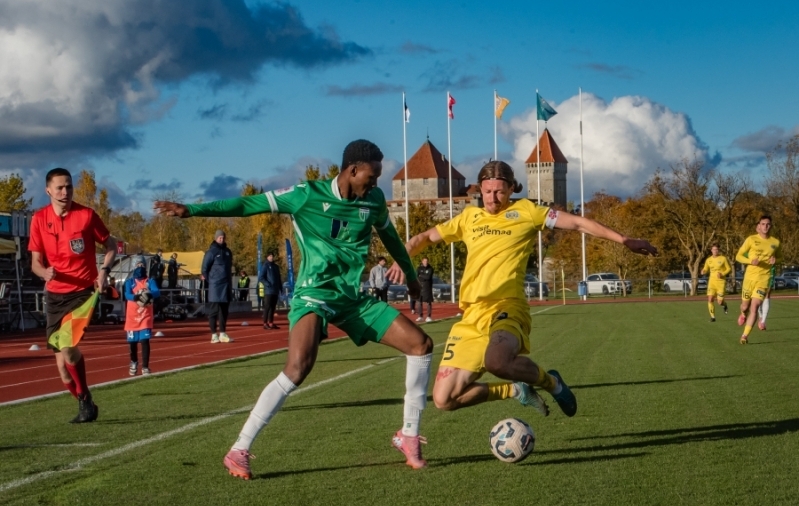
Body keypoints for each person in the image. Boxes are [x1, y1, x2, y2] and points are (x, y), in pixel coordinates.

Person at [155, 139, 434, 479]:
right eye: (371, 177)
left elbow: (390, 238)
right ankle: (239, 449)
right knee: (298, 367)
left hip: (350, 298)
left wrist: (409, 275)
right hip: (313, 294)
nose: (375, 185)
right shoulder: (307, 195)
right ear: (352, 170)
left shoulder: (372, 201)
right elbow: (249, 205)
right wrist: (193, 210)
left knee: (420, 345)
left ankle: (408, 435)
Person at [406, 160, 657, 419]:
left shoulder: (527, 211)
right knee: (444, 399)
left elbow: (578, 223)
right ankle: (514, 390)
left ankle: (552, 384)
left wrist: (624, 240)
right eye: (487, 191)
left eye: (500, 191)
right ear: (480, 189)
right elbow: (423, 238)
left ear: (512, 188)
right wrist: (401, 255)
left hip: (506, 307)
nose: (492, 198)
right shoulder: (469, 217)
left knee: (497, 362)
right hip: (471, 316)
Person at [28, 167, 117, 423]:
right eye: (59, 187)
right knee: (63, 373)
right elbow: (35, 263)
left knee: (68, 348)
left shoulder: (87, 215)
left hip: (82, 293)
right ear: (48, 191)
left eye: (69, 186)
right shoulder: (39, 219)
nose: (65, 191)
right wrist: (45, 273)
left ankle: (85, 399)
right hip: (55, 296)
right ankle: (85, 400)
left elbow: (111, 246)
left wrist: (103, 271)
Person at [736, 215, 780, 344]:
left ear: (770, 226)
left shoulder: (775, 242)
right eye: (763, 224)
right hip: (749, 279)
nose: (765, 226)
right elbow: (738, 256)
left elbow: (781, 257)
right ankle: (743, 314)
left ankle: (744, 336)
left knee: (754, 307)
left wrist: (776, 260)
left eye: (768, 224)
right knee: (745, 306)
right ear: (758, 226)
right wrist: (750, 261)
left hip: (763, 280)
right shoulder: (751, 239)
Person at [124, 256, 161, 375]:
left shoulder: (150, 281)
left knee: (145, 341)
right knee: (132, 343)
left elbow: (157, 292)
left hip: (145, 316)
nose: (140, 267)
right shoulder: (129, 282)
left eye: (142, 265)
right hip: (132, 318)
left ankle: (145, 366)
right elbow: (127, 295)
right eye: (138, 265)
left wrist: (149, 295)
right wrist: (136, 297)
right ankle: (134, 361)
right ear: (134, 267)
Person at [202, 230, 234, 343]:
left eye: (223, 237)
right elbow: (204, 269)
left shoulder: (228, 252)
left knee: (224, 311)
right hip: (215, 285)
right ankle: (213, 335)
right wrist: (211, 280)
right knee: (213, 311)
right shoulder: (211, 252)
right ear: (216, 238)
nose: (222, 239)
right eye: (220, 237)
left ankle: (223, 333)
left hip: (226, 285)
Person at [700, 242, 731, 322]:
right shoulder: (708, 260)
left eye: (717, 249)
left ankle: (724, 305)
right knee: (710, 299)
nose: (715, 251)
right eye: (714, 249)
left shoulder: (723, 258)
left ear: (718, 250)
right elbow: (706, 269)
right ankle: (713, 317)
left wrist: (722, 273)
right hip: (712, 282)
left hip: (721, 283)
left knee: (719, 302)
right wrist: (703, 271)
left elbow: (728, 269)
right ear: (711, 250)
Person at [259, 252, 282, 329]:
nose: (271, 257)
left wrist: (280, 288)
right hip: (268, 290)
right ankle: (265, 323)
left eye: (272, 256)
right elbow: (261, 277)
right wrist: (267, 284)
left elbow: (279, 278)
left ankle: (271, 322)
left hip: (275, 290)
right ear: (267, 257)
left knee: (273, 307)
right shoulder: (265, 266)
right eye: (270, 256)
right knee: (267, 307)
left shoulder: (276, 267)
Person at [412, 257, 434, 322]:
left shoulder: (430, 269)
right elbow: (416, 276)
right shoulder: (419, 268)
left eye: (427, 261)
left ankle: (428, 317)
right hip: (420, 287)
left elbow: (428, 277)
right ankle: (420, 316)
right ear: (422, 261)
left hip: (427, 287)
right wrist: (422, 276)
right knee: (419, 302)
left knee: (428, 302)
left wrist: (421, 275)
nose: (426, 262)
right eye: (424, 261)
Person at [757, 266, 776, 330]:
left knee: (767, 295)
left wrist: (775, 260)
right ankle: (760, 316)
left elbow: (780, 258)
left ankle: (763, 321)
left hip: (771, 269)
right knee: (758, 296)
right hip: (759, 271)